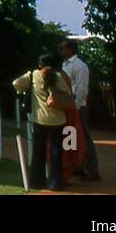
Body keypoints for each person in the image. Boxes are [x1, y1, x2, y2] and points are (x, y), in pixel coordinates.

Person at [13, 53, 76, 191]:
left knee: (38, 152)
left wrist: (26, 90)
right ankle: (55, 183)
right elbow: (68, 94)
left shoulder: (33, 75)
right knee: (56, 152)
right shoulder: (57, 77)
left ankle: (37, 181)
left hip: (39, 119)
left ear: (40, 64)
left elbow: (16, 83)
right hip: (57, 120)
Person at [58, 38, 101, 180]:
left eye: (62, 48)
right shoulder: (65, 65)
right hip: (68, 102)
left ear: (70, 50)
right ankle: (76, 165)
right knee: (70, 135)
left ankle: (92, 169)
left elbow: (82, 88)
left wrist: (77, 105)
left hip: (77, 104)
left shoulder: (79, 66)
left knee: (84, 136)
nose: (60, 51)